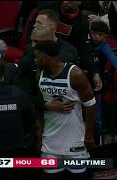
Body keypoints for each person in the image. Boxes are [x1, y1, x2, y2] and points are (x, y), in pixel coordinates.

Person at [34, 40, 96, 179]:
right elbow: (39, 105)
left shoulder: (75, 74)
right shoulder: (40, 74)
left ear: (47, 57)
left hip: (74, 142)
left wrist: (89, 136)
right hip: (49, 143)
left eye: (37, 56)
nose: (35, 60)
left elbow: (91, 105)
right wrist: (39, 137)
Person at [32, 8, 103, 92]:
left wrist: (94, 72)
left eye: (39, 23)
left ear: (52, 26)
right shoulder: (30, 49)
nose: (34, 25)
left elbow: (85, 51)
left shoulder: (66, 54)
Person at [89, 20, 117, 145]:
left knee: (97, 117)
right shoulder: (85, 43)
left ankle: (96, 140)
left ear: (105, 36)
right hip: (82, 82)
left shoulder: (104, 46)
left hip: (97, 85)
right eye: (94, 33)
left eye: (99, 35)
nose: (96, 37)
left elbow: (111, 56)